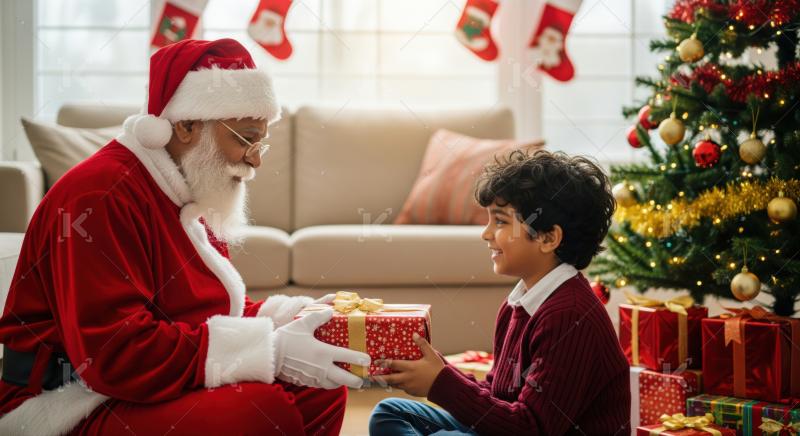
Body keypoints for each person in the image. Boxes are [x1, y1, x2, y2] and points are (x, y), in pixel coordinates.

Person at [0, 38, 369, 436]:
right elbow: (116, 356)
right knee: (261, 409)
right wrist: (273, 351)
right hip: (70, 398)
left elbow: (207, 313)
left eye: (260, 141)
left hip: (135, 383)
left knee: (321, 386)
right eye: (246, 139)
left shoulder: (190, 181)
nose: (256, 159)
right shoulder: (100, 195)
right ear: (187, 126)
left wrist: (290, 319)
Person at [369, 150, 630, 435]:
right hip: (511, 427)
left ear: (548, 238)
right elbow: (496, 395)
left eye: (501, 222)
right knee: (390, 413)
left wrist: (440, 383)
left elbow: (532, 428)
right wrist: (441, 371)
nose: (486, 233)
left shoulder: (570, 314)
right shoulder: (517, 304)